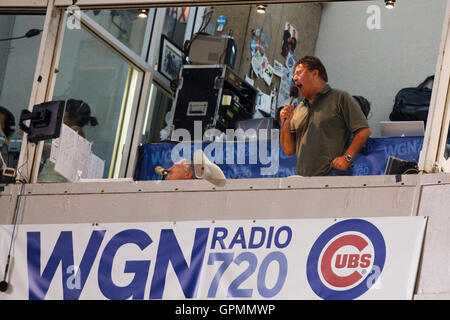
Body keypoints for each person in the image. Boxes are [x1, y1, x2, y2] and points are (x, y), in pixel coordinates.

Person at [280, 56, 372, 176]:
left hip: (333, 175)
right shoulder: (298, 109)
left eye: (299, 73)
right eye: (294, 74)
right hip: (303, 180)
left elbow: (364, 131)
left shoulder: (340, 98)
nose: (294, 78)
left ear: (315, 74)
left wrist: (346, 158)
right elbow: (288, 150)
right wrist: (286, 122)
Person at [38, 99, 98, 182]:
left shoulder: (75, 130)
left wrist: (34, 142)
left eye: (64, 111)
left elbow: (56, 153)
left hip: (53, 183)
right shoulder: (73, 132)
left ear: (71, 114)